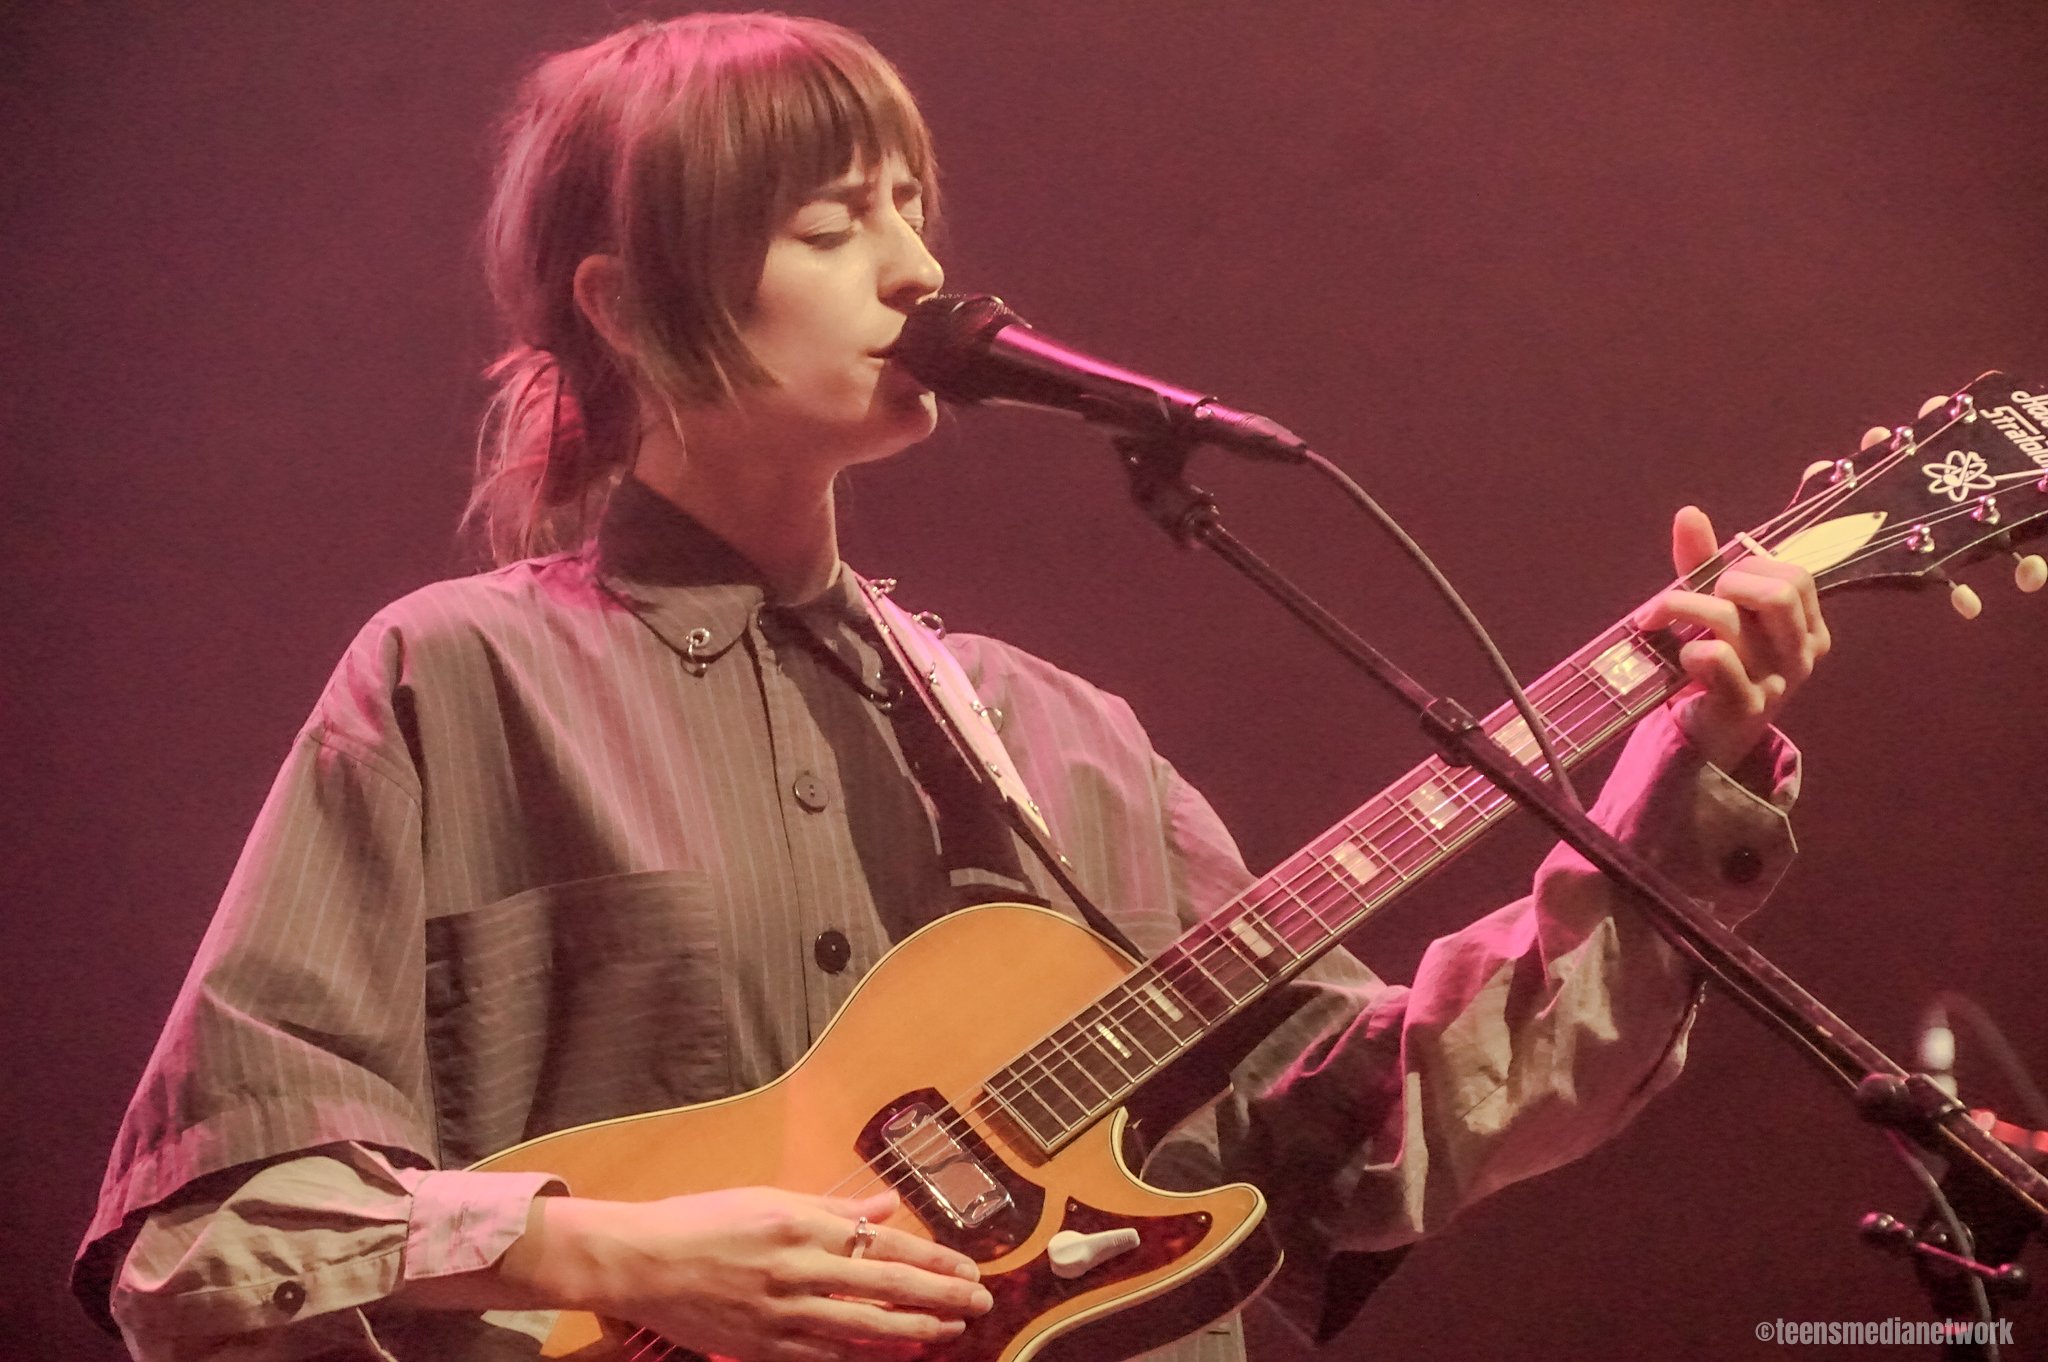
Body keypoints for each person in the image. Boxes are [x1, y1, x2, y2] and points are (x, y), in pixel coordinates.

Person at [73, 13, 1828, 1362]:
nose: (919, 267)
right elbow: (201, 1231)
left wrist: (1670, 782)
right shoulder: (458, 677)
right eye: (837, 223)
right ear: (625, 303)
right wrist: (594, 1246)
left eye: (913, 206)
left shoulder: (1062, 739)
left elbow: (1384, 1144)